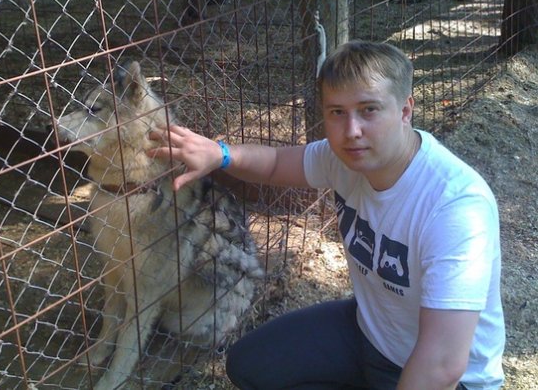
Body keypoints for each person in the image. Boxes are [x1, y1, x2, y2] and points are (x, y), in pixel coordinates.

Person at [147, 40, 505, 390]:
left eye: (369, 109)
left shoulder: (454, 206)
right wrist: (220, 154)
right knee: (250, 365)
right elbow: (275, 164)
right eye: (337, 112)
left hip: (447, 376)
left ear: (405, 110)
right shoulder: (343, 159)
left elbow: (442, 366)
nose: (351, 131)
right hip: (372, 333)